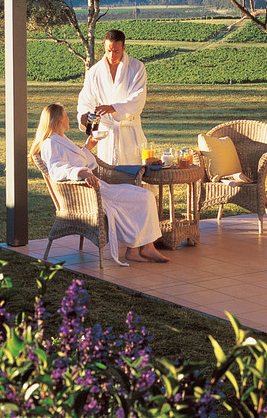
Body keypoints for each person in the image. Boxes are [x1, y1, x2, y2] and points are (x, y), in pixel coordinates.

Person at [29, 103, 169, 265]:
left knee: (146, 195)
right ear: (59, 119)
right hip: (87, 194)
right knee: (144, 197)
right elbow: (57, 169)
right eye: (65, 115)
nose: (68, 118)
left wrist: (88, 147)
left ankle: (142, 247)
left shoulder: (61, 140)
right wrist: (81, 173)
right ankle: (140, 249)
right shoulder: (50, 143)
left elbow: (78, 160)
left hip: (98, 187)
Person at [77, 29, 146, 165]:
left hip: (129, 134)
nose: (112, 55)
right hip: (107, 135)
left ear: (124, 48)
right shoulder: (94, 72)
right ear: (104, 47)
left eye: (116, 51)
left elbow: (138, 99)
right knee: (108, 178)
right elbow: (86, 100)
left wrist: (114, 108)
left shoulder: (137, 68)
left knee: (133, 177)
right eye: (108, 50)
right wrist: (84, 116)